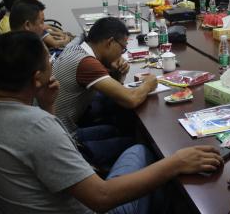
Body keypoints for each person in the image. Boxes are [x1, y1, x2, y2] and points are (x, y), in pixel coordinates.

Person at [0, 31, 223, 214]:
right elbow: (101, 197)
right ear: (37, 78)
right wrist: (176, 163)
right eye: (49, 61)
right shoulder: (37, 127)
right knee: (152, 157)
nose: (53, 64)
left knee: (141, 151)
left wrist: (48, 106)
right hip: (93, 206)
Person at [52, 17, 157, 166]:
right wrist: (148, 84)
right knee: (137, 143)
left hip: (61, 129)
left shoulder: (77, 49)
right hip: (64, 143)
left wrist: (118, 74)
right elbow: (131, 99)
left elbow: (115, 90)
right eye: (122, 48)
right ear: (110, 42)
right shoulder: (86, 63)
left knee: (117, 128)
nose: (121, 54)